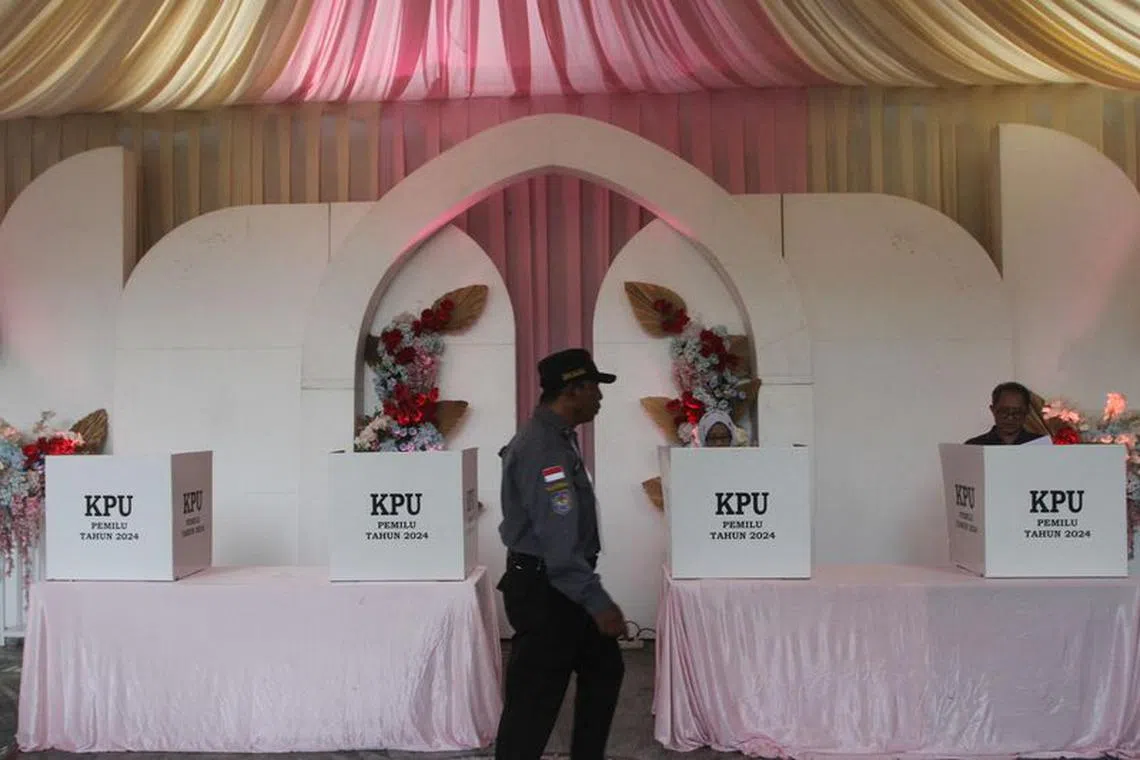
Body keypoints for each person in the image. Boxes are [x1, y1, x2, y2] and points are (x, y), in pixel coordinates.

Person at [494, 348, 626, 760]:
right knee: (533, 704)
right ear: (573, 391)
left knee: (604, 669)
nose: (600, 398)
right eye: (594, 389)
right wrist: (597, 601)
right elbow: (558, 537)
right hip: (548, 589)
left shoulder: (555, 438)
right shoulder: (544, 448)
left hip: (561, 583)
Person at [964, 381, 1045, 445]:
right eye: (1004, 411)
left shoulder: (1040, 446)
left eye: (1017, 412)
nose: (1010, 417)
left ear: (1027, 412)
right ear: (993, 410)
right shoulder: (974, 446)